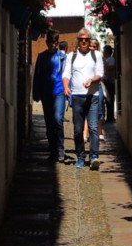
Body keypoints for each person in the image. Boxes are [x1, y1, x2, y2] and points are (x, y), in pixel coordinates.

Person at [63, 27, 104, 170]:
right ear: (78, 41)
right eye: (81, 39)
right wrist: (66, 86)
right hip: (77, 96)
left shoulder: (96, 55)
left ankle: (94, 156)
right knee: (77, 129)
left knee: (93, 127)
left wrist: (92, 80)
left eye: (87, 39)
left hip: (93, 96)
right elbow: (66, 73)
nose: (84, 42)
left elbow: (100, 73)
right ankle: (80, 156)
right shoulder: (71, 56)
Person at [32, 29, 67, 162]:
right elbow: (37, 76)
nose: (52, 45)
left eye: (54, 42)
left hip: (59, 92)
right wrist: (36, 92)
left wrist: (68, 91)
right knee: (49, 122)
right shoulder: (42, 57)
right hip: (46, 93)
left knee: (58, 119)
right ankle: (52, 150)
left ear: (57, 43)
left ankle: (60, 149)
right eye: (49, 42)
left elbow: (67, 75)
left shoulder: (63, 58)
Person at [102, 44, 116, 123]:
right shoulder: (107, 60)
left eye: (104, 51)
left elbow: (110, 69)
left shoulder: (111, 60)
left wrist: (104, 64)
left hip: (110, 82)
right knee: (108, 100)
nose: (103, 52)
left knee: (109, 99)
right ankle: (109, 116)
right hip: (107, 81)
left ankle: (110, 117)